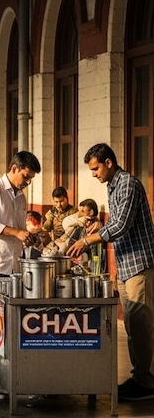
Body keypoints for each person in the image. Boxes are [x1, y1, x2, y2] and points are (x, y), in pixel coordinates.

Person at [67, 143, 154, 401]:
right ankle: (140, 376)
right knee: (131, 324)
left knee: (141, 325)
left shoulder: (127, 183)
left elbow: (120, 226)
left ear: (108, 163)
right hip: (126, 264)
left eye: (95, 168)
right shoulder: (112, 185)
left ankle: (146, 382)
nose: (93, 174)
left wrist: (86, 241)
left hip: (139, 263)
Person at [0, 150, 41, 357]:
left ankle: (5, 364)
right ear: (14, 169)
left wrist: (29, 236)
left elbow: (19, 230)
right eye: (26, 176)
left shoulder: (21, 196)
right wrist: (17, 232)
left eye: (30, 178)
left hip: (13, 267)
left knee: (8, 319)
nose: (27, 182)